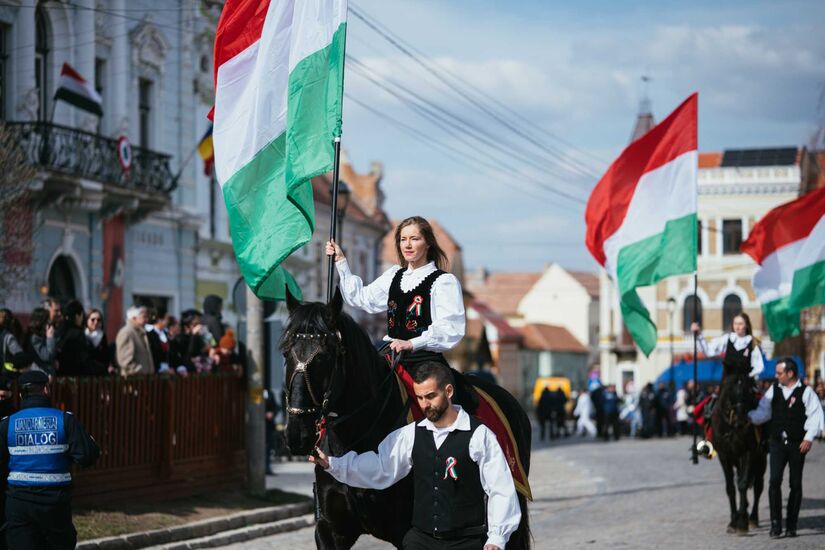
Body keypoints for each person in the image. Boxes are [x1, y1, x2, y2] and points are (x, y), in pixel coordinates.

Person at [310, 361, 520, 550]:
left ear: (448, 391)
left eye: (430, 396)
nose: (424, 405)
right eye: (419, 398)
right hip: (420, 542)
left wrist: (496, 538)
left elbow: (500, 489)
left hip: (465, 542)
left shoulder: (479, 435)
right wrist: (332, 464)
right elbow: (381, 466)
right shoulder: (410, 434)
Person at [326, 216, 474, 409]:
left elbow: (450, 328)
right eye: (403, 239)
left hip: (424, 360)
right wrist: (341, 262)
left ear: (428, 242)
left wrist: (412, 343)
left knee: (434, 406)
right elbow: (362, 298)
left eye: (414, 239)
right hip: (390, 357)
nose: (408, 245)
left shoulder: (443, 281)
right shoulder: (394, 275)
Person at [0, 369, 100, 548]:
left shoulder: (7, 424)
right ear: (46, 390)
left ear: (22, 394)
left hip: (19, 504)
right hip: (55, 504)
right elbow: (87, 456)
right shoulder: (65, 420)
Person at [748, 357, 824, 538]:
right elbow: (763, 412)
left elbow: (815, 415)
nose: (776, 376)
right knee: (774, 481)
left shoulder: (806, 392)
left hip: (798, 444)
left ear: (790, 373)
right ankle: (776, 524)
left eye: (779, 373)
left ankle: (791, 525)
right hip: (777, 444)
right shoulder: (772, 391)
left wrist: (808, 437)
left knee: (795, 484)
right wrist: (748, 416)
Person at [692, 313, 764, 379]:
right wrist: (699, 334)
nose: (737, 327)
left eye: (740, 324)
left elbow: (759, 366)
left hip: (744, 384)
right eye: (735, 324)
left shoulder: (752, 343)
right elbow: (709, 350)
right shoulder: (728, 339)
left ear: (746, 325)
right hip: (728, 383)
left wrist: (747, 376)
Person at [115, 306, 155, 377]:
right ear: (134, 318)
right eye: (144, 317)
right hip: (134, 381)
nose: (147, 320)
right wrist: (139, 371)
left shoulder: (140, 332)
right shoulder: (127, 333)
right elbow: (125, 361)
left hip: (143, 381)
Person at [55, 300, 89, 376]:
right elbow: (83, 360)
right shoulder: (78, 334)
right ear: (77, 316)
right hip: (75, 377)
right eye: (82, 315)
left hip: (59, 377)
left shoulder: (59, 331)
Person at [23, 308, 57, 374]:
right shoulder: (35, 338)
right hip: (40, 375)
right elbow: (47, 356)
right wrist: (50, 337)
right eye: (47, 320)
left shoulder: (41, 335)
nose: (49, 322)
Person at [84, 308, 110, 375]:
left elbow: (105, 357)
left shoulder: (102, 336)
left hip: (99, 374)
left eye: (98, 320)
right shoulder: (82, 335)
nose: (96, 322)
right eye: (93, 320)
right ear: (87, 320)